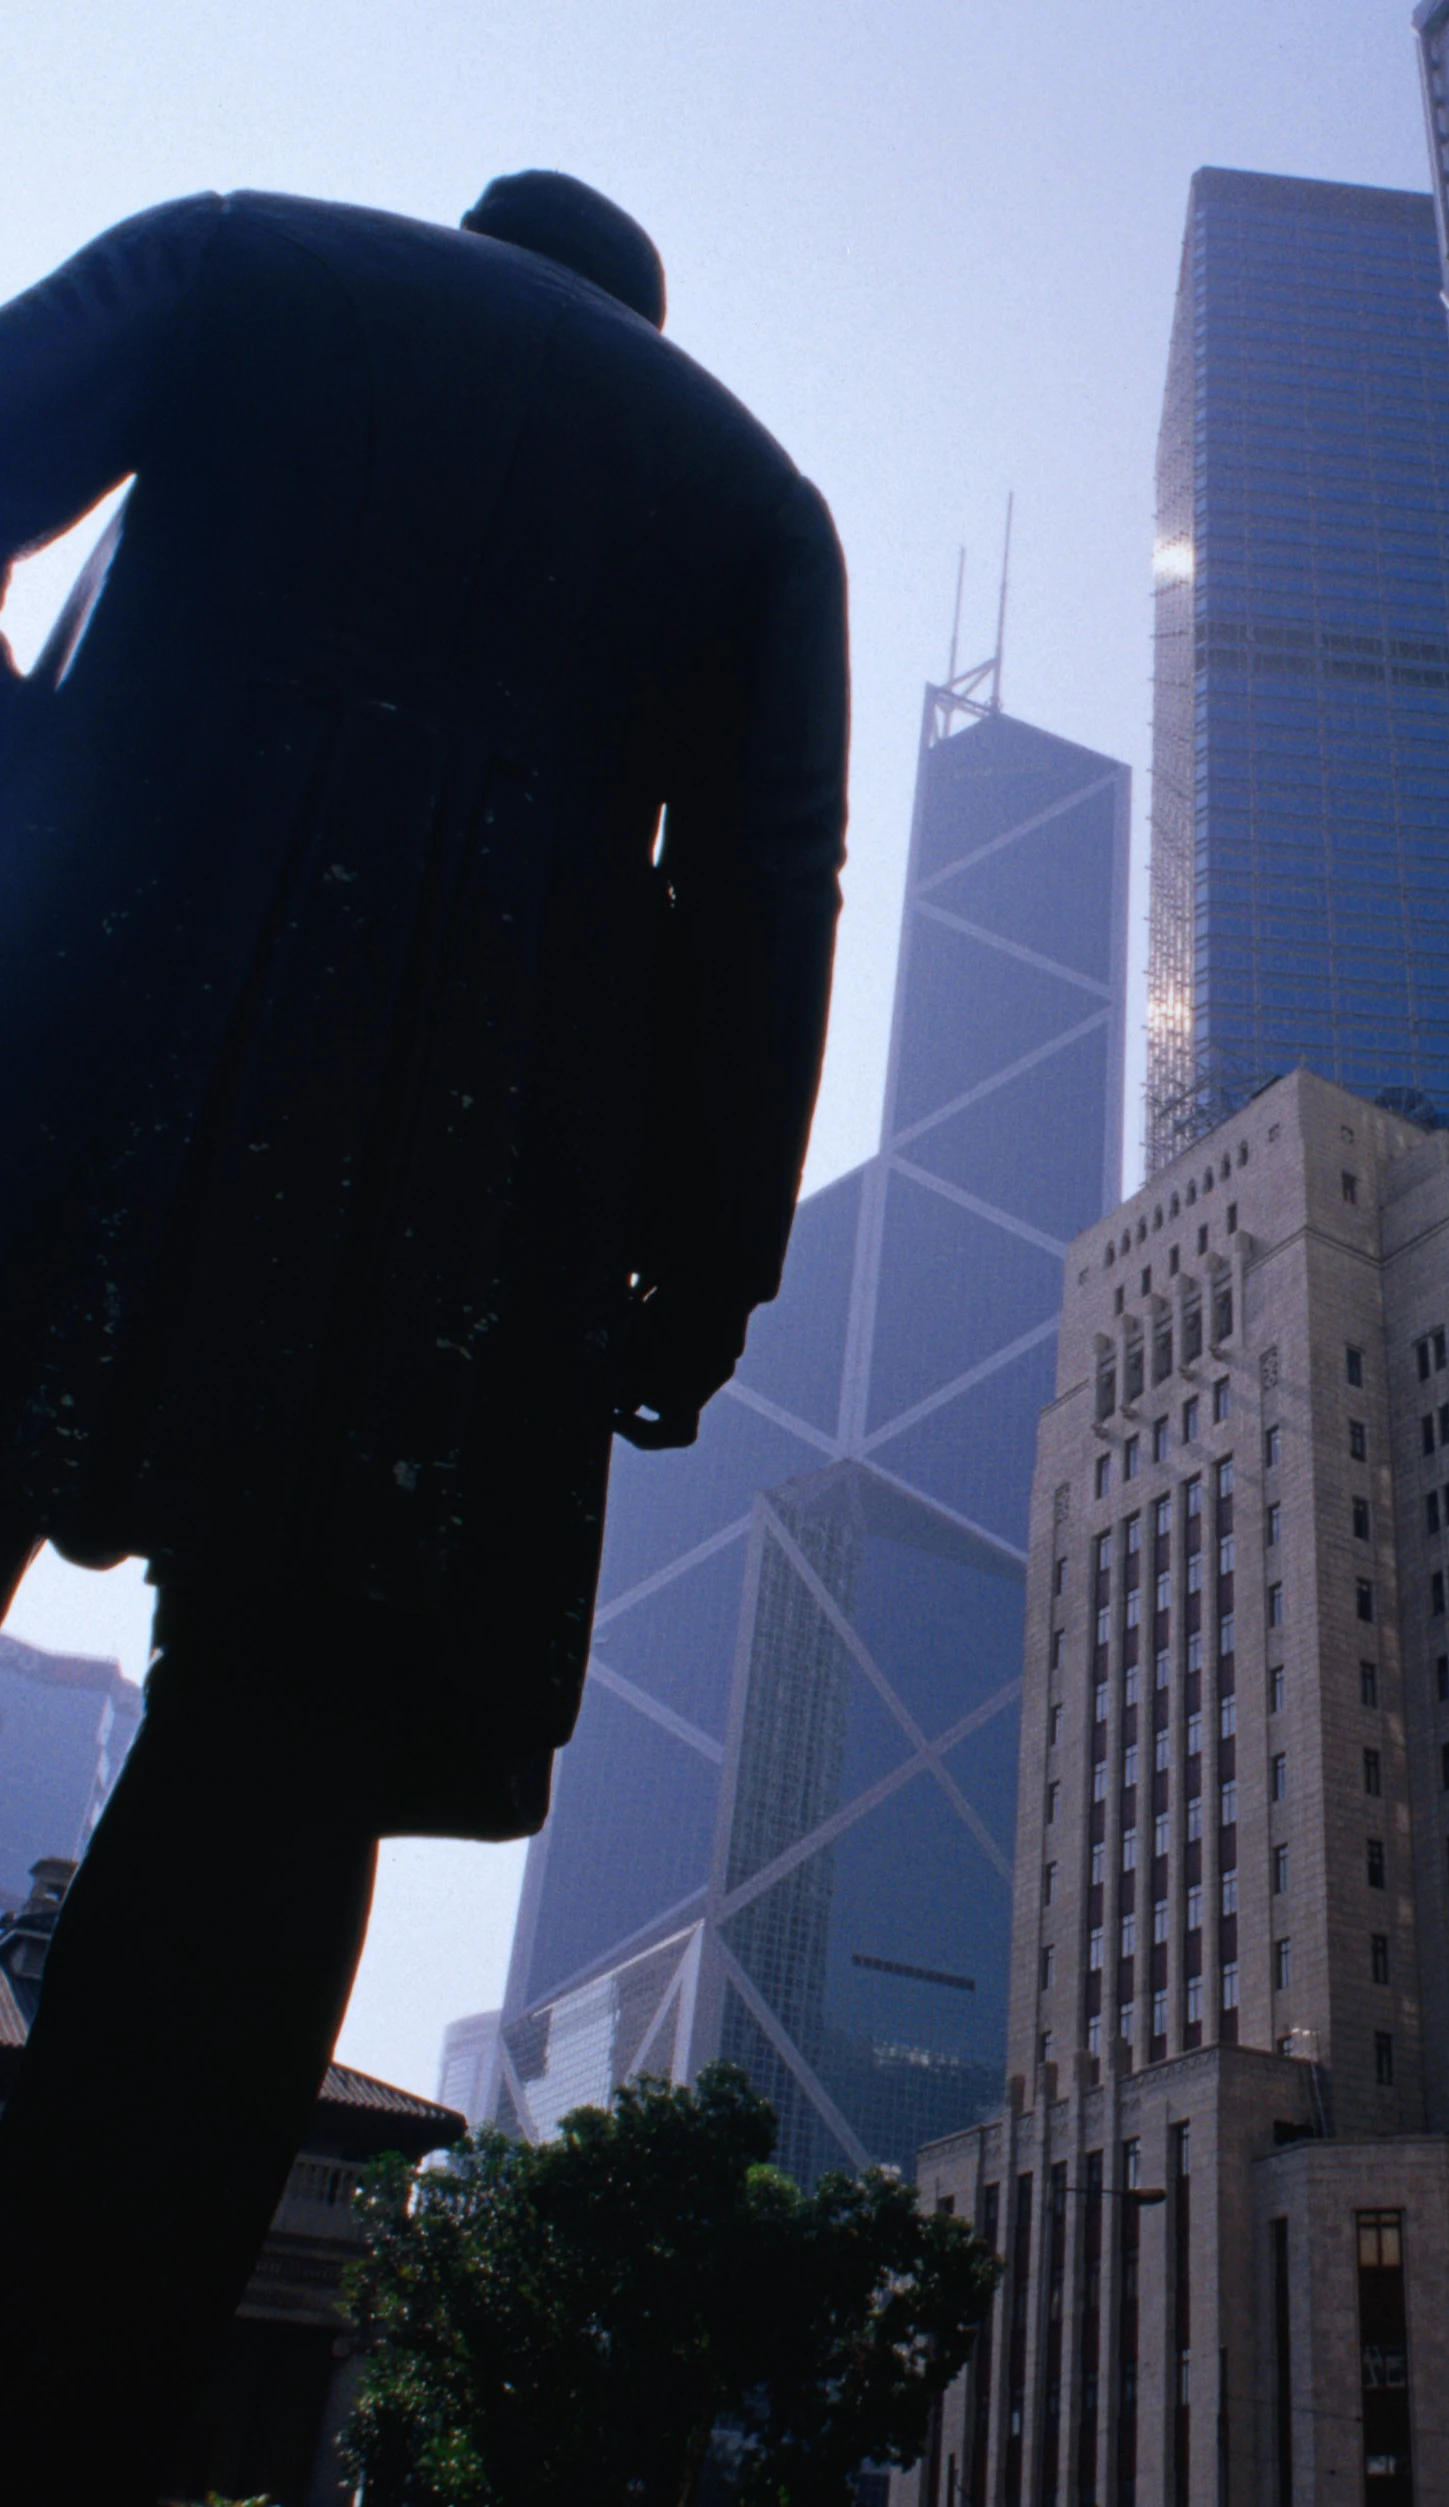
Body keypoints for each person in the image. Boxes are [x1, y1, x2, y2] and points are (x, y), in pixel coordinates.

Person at [0, 172, 847, 2495]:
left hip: (64, 994)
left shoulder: (247, 255)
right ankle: (64, 2423)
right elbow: (768, 896)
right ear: (644, 320)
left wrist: (30, 775)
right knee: (271, 1770)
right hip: (444, 1196)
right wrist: (702, 1263)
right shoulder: (746, 497)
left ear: (474, 231)